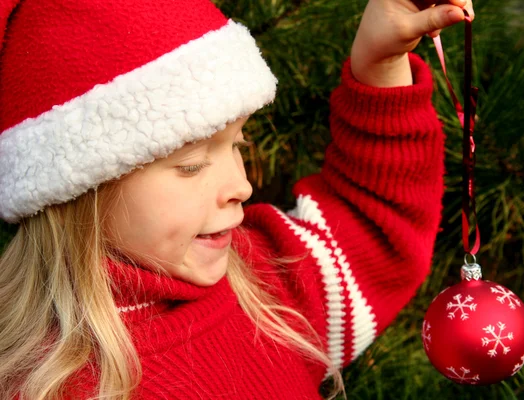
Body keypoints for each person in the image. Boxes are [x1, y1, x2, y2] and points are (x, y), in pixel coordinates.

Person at [0, 0, 474, 398]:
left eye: (238, 145)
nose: (242, 186)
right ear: (77, 189)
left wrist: (380, 63)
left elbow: (372, 229)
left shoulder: (263, 290)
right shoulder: (59, 385)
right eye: (191, 163)